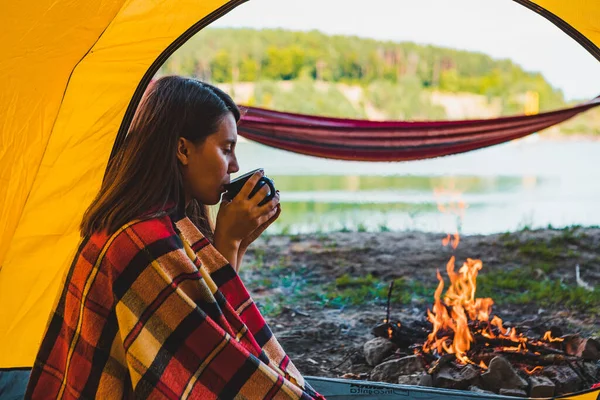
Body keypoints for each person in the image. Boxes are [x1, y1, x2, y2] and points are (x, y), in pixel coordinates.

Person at [25, 76, 324, 399]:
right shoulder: (141, 241)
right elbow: (213, 365)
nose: (235, 166)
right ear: (182, 149)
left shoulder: (165, 221)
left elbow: (216, 332)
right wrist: (229, 241)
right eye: (226, 149)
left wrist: (236, 242)